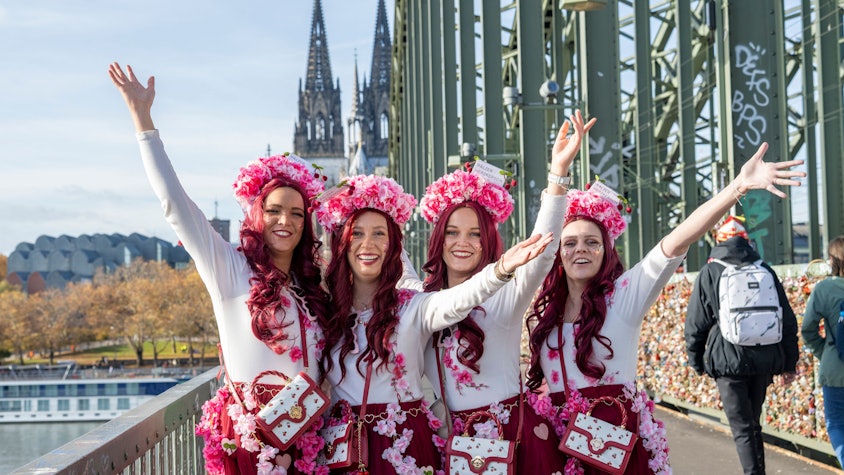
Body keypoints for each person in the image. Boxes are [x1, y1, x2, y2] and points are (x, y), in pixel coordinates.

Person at [524, 142, 805, 475]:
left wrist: (738, 187)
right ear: (558, 253)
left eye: (592, 242)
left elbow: (677, 240)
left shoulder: (623, 298)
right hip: (559, 453)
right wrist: (557, 174)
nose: (580, 249)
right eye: (569, 243)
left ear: (606, 251)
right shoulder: (547, 315)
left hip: (616, 454)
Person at [109, 63, 330, 475]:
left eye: (297, 213)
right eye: (274, 210)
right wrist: (144, 122)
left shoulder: (311, 284)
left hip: (307, 442)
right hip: (247, 442)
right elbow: (176, 207)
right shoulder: (230, 268)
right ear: (256, 214)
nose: (285, 221)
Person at [314, 174, 554, 474]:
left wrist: (501, 269)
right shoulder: (326, 312)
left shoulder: (414, 306)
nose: (368, 243)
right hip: (343, 450)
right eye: (357, 233)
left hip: (404, 447)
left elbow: (458, 299)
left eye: (379, 234)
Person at [400, 111, 594, 473]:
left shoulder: (506, 292)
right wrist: (355, 204)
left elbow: (544, 248)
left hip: (516, 442)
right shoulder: (419, 300)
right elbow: (384, 252)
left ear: (488, 241)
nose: (463, 242)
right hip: (455, 444)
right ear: (439, 238)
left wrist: (558, 175)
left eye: (475, 234)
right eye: (453, 232)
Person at [685, 216, 799, 475]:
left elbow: (696, 323)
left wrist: (696, 361)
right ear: (747, 242)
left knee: (741, 427)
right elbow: (787, 319)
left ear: (718, 241)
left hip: (729, 360)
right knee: (753, 423)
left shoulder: (711, 271)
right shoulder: (765, 269)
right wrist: (789, 363)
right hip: (764, 358)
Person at [801, 235, 844, 469]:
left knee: (837, 424)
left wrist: (826, 353)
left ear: (833, 260)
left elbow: (808, 330)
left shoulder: (825, 288)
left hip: (835, 371)